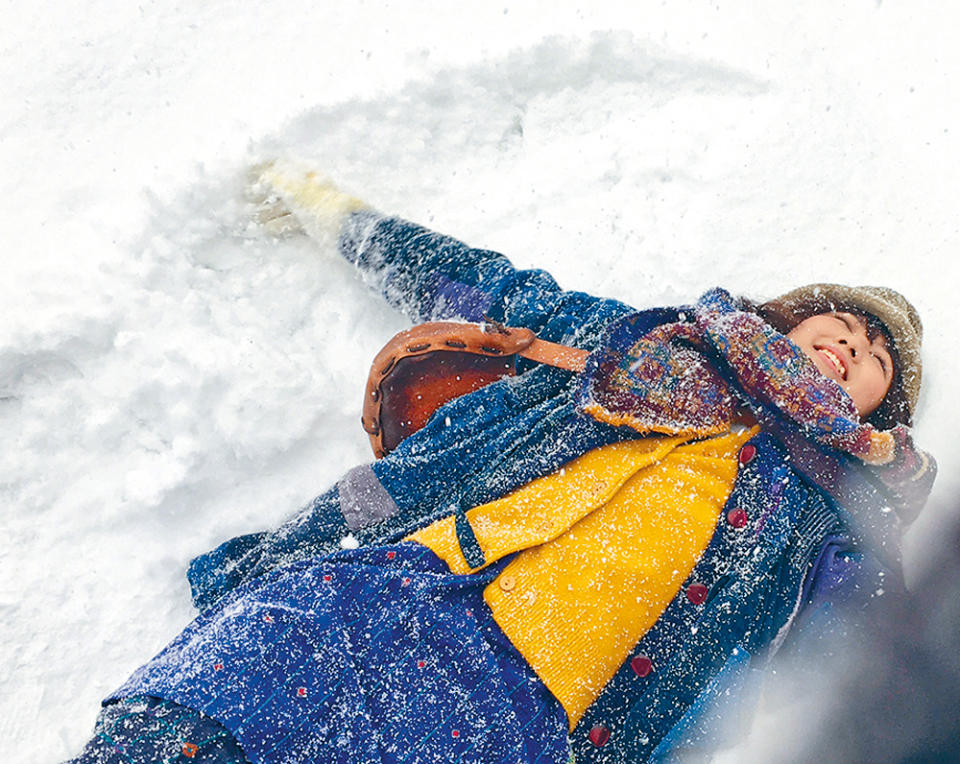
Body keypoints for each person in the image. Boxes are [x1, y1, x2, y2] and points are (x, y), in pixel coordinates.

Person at [67, 163, 935, 764]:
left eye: (876, 360)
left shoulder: (838, 517)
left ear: (875, 411)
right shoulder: (650, 352)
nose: (852, 347)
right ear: (785, 321)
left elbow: (872, 667)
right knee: (184, 729)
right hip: (385, 582)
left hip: (521, 706)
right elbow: (488, 289)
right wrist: (335, 213)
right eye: (843, 325)